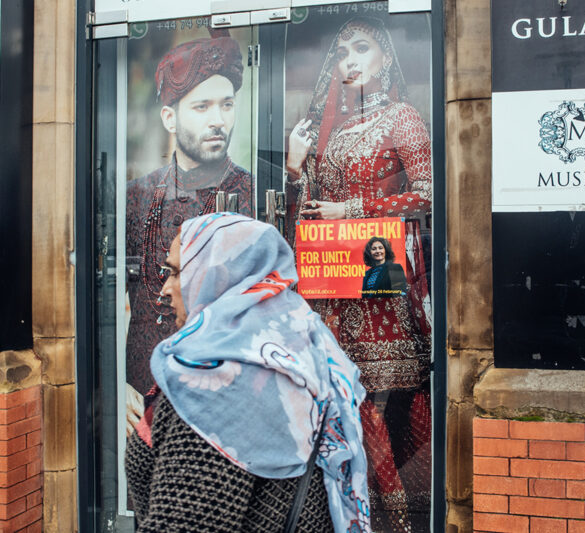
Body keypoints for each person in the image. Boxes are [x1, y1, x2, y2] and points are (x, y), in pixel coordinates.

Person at [124, 213, 371, 533]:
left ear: (217, 277)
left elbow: (183, 523)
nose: (165, 290)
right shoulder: (295, 345)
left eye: (175, 273)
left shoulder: (216, 387)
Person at [285, 16, 432, 532]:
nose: (349, 60)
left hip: (380, 286)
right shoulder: (340, 131)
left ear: (385, 59)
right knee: (345, 403)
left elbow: (429, 195)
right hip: (335, 289)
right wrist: (297, 168)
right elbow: (311, 215)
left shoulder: (404, 118)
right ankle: (351, 513)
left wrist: (354, 208)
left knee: (374, 406)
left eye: (362, 49)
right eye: (342, 52)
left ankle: (401, 519)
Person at [125, 36, 253, 432]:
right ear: (170, 118)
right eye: (201, 106)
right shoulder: (138, 195)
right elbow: (109, 301)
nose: (218, 119)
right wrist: (115, 385)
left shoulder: (255, 195)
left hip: (225, 403)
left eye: (226, 105)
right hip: (142, 398)